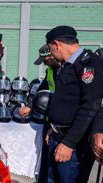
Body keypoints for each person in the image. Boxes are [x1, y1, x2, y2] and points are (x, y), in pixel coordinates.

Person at [45, 25, 103, 183]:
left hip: (75, 144)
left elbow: (90, 106)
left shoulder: (89, 64)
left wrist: (69, 143)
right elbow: (68, 101)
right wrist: (54, 126)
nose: (51, 54)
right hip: (58, 137)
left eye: (51, 49)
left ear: (56, 44)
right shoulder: (69, 64)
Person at [19, 44, 60, 118]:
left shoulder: (69, 70)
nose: (45, 64)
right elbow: (42, 89)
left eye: (46, 61)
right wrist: (30, 106)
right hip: (51, 114)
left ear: (53, 56)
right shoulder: (49, 70)